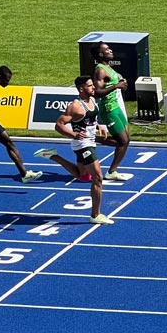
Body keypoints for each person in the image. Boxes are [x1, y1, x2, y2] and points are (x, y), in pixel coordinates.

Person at [33, 76, 114, 225]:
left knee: (83, 177)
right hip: (82, 144)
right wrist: (74, 134)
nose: (93, 88)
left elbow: (90, 119)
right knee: (97, 178)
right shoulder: (75, 106)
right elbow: (59, 125)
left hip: (90, 141)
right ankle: (95, 215)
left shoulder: (92, 100)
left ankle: (53, 156)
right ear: (81, 89)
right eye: (90, 86)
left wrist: (98, 126)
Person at [89, 42, 133, 181]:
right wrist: (116, 86)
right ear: (101, 54)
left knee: (126, 140)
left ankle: (113, 170)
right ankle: (92, 139)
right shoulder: (100, 70)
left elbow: (115, 80)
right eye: (107, 49)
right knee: (123, 141)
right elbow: (97, 92)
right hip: (108, 109)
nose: (111, 50)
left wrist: (122, 82)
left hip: (116, 107)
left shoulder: (109, 67)